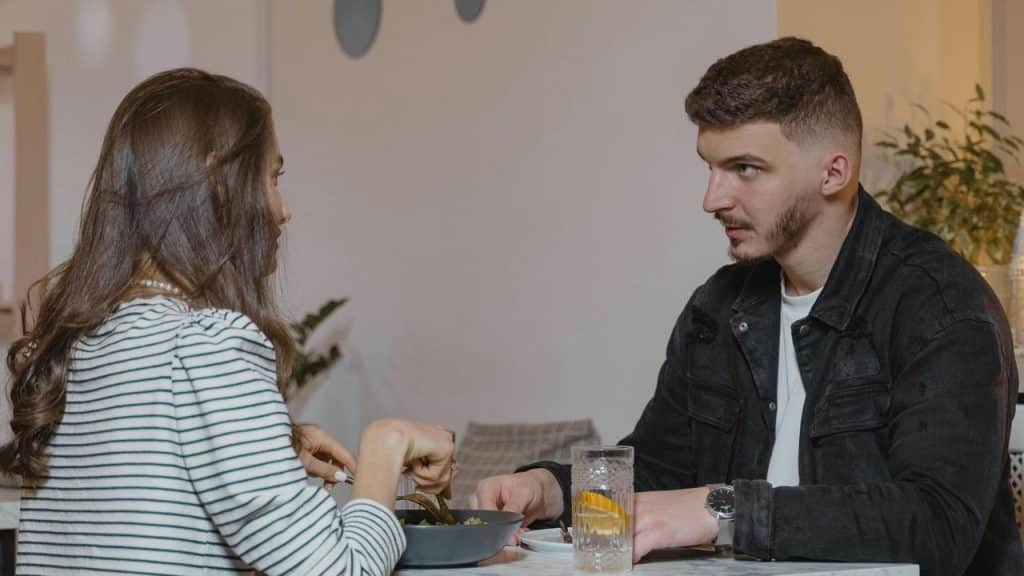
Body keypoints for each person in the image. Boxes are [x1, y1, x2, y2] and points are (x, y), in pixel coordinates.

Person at [472, 37, 1024, 575]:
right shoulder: (718, 306)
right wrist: (549, 488)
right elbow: (664, 469)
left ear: (833, 172)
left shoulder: (942, 307)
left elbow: (937, 527)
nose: (712, 199)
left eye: (745, 169)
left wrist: (725, 510)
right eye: (710, 167)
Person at [0, 68, 455, 575]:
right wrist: (386, 446)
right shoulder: (207, 343)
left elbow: (148, 481)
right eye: (273, 177)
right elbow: (338, 570)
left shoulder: (75, 343)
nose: (284, 211)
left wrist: (267, 443)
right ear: (222, 183)